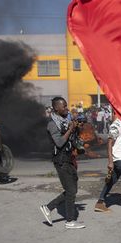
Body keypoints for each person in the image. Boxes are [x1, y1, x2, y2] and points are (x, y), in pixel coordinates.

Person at [39, 97, 85, 229]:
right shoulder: (52, 124)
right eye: (64, 106)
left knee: (73, 189)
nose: (67, 108)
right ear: (56, 108)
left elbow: (72, 138)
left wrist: (76, 128)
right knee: (71, 190)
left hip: (69, 158)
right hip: (61, 160)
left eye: (66, 106)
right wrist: (70, 129)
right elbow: (59, 143)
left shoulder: (66, 120)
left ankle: (48, 208)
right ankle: (70, 221)